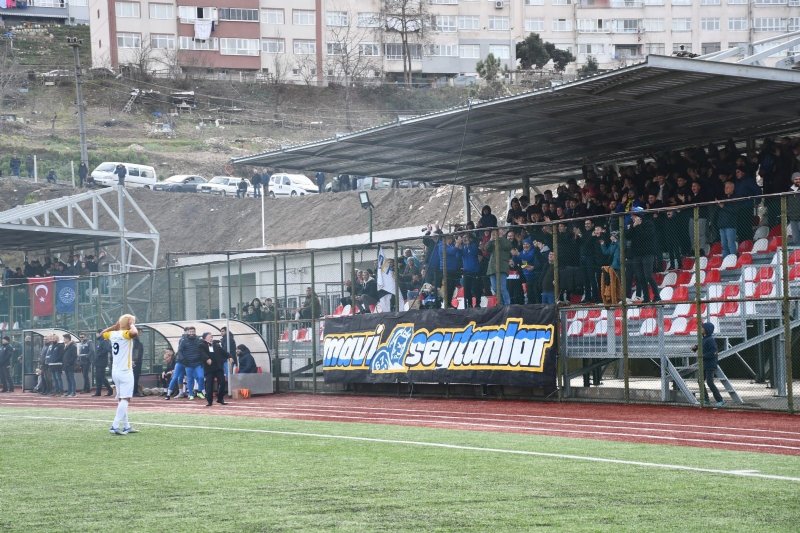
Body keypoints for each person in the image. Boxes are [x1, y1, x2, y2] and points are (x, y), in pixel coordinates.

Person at [101, 314, 139, 435]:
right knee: (126, 399)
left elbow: (103, 333)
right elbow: (134, 333)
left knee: (122, 399)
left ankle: (126, 426)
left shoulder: (113, 334)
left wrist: (115, 326)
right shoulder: (125, 334)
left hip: (115, 371)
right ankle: (115, 426)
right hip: (125, 371)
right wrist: (131, 323)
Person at [692, 322, 725, 408]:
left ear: (707, 330)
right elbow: (702, 345)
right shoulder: (705, 339)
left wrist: (703, 356)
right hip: (705, 364)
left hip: (710, 364)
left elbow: (714, 352)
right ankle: (705, 399)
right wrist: (696, 347)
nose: (701, 329)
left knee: (710, 382)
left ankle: (720, 400)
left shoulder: (710, 339)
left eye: (703, 328)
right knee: (700, 381)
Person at [200, 332, 227, 406]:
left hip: (218, 367)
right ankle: (209, 401)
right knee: (209, 385)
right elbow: (202, 353)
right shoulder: (201, 345)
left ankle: (220, 398)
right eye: (210, 337)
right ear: (205, 338)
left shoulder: (216, 345)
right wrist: (207, 358)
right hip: (209, 368)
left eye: (212, 337)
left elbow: (223, 352)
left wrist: (230, 356)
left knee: (222, 382)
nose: (211, 338)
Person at [178, 326, 204, 400]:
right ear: (188, 332)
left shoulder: (199, 340)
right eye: (190, 332)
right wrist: (183, 360)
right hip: (188, 364)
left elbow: (203, 349)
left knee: (201, 377)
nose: (192, 333)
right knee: (190, 379)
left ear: (195, 332)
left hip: (198, 363)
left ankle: (199, 391)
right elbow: (180, 351)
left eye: (193, 332)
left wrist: (203, 359)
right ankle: (191, 394)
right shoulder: (183, 341)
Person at [94, 329, 114, 396]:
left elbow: (106, 350)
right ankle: (98, 392)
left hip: (102, 362)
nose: (96, 335)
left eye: (97, 333)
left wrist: (99, 355)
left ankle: (110, 389)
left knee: (101, 377)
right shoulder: (99, 341)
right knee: (98, 377)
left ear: (100, 333)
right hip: (98, 362)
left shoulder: (104, 341)